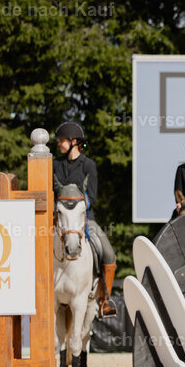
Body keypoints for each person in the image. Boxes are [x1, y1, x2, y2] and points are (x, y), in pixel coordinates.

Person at [52, 121, 117, 317]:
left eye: (62, 140)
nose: (59, 144)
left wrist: (75, 207)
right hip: (59, 221)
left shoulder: (89, 165)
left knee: (109, 254)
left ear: (74, 142)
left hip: (85, 219)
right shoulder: (55, 164)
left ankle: (105, 300)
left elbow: (93, 197)